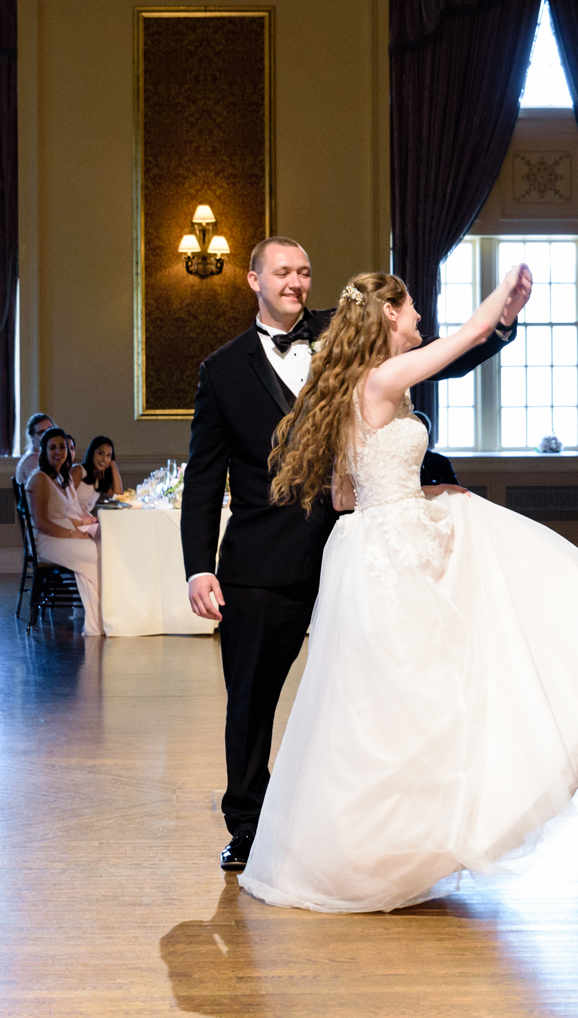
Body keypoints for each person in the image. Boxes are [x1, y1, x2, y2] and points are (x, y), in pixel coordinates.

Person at [235, 269, 578, 913]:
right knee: (413, 695)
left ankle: (387, 844)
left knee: (389, 700)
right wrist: (505, 296)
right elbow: (468, 336)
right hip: (391, 554)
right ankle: (385, 849)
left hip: (374, 544)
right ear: (388, 316)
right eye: (411, 307)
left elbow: (342, 496)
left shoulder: (357, 390)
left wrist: (423, 497)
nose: (419, 318)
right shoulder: (385, 379)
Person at [182, 236, 529, 875]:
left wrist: (500, 327)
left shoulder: (345, 336)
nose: (296, 281)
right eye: (283, 271)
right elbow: (205, 476)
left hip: (355, 547)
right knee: (252, 699)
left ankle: (375, 824)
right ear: (253, 280)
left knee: (365, 696)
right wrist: (199, 564)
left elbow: (431, 360)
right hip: (263, 560)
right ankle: (249, 827)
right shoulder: (222, 368)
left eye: (305, 270)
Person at [26, 427, 104, 635]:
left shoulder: (61, 477)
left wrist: (83, 524)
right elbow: (42, 523)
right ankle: (97, 621)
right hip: (47, 541)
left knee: (101, 548)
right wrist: (73, 534)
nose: (59, 452)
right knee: (96, 554)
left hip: (61, 535)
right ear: (43, 451)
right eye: (52, 447)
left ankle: (97, 620)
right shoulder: (40, 479)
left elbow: (64, 515)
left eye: (62, 447)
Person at [15, 412, 57, 487]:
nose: (47, 435)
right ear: (32, 436)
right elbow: (43, 487)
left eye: (50, 430)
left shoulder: (43, 455)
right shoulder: (33, 459)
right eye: (42, 432)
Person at [79, 435, 123, 505]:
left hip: (84, 515)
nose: (104, 459)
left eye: (108, 455)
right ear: (92, 452)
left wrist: (112, 464)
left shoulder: (99, 478)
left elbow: (118, 496)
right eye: (100, 453)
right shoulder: (79, 470)